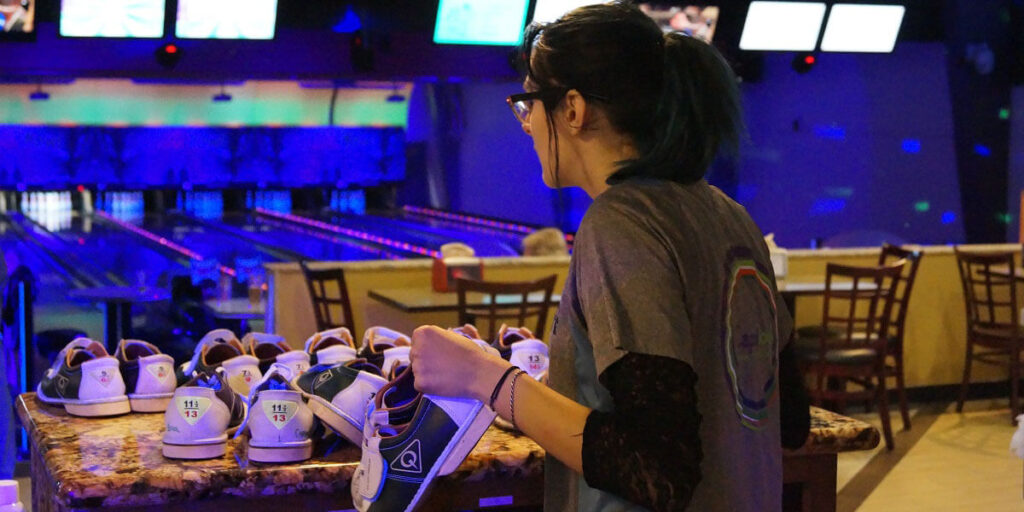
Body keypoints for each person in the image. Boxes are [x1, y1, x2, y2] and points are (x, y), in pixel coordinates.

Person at [408, 3, 809, 511]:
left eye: (530, 102)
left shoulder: (620, 222)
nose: (527, 124)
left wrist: (482, 378)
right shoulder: (730, 216)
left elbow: (658, 470)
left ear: (573, 109)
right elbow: (789, 418)